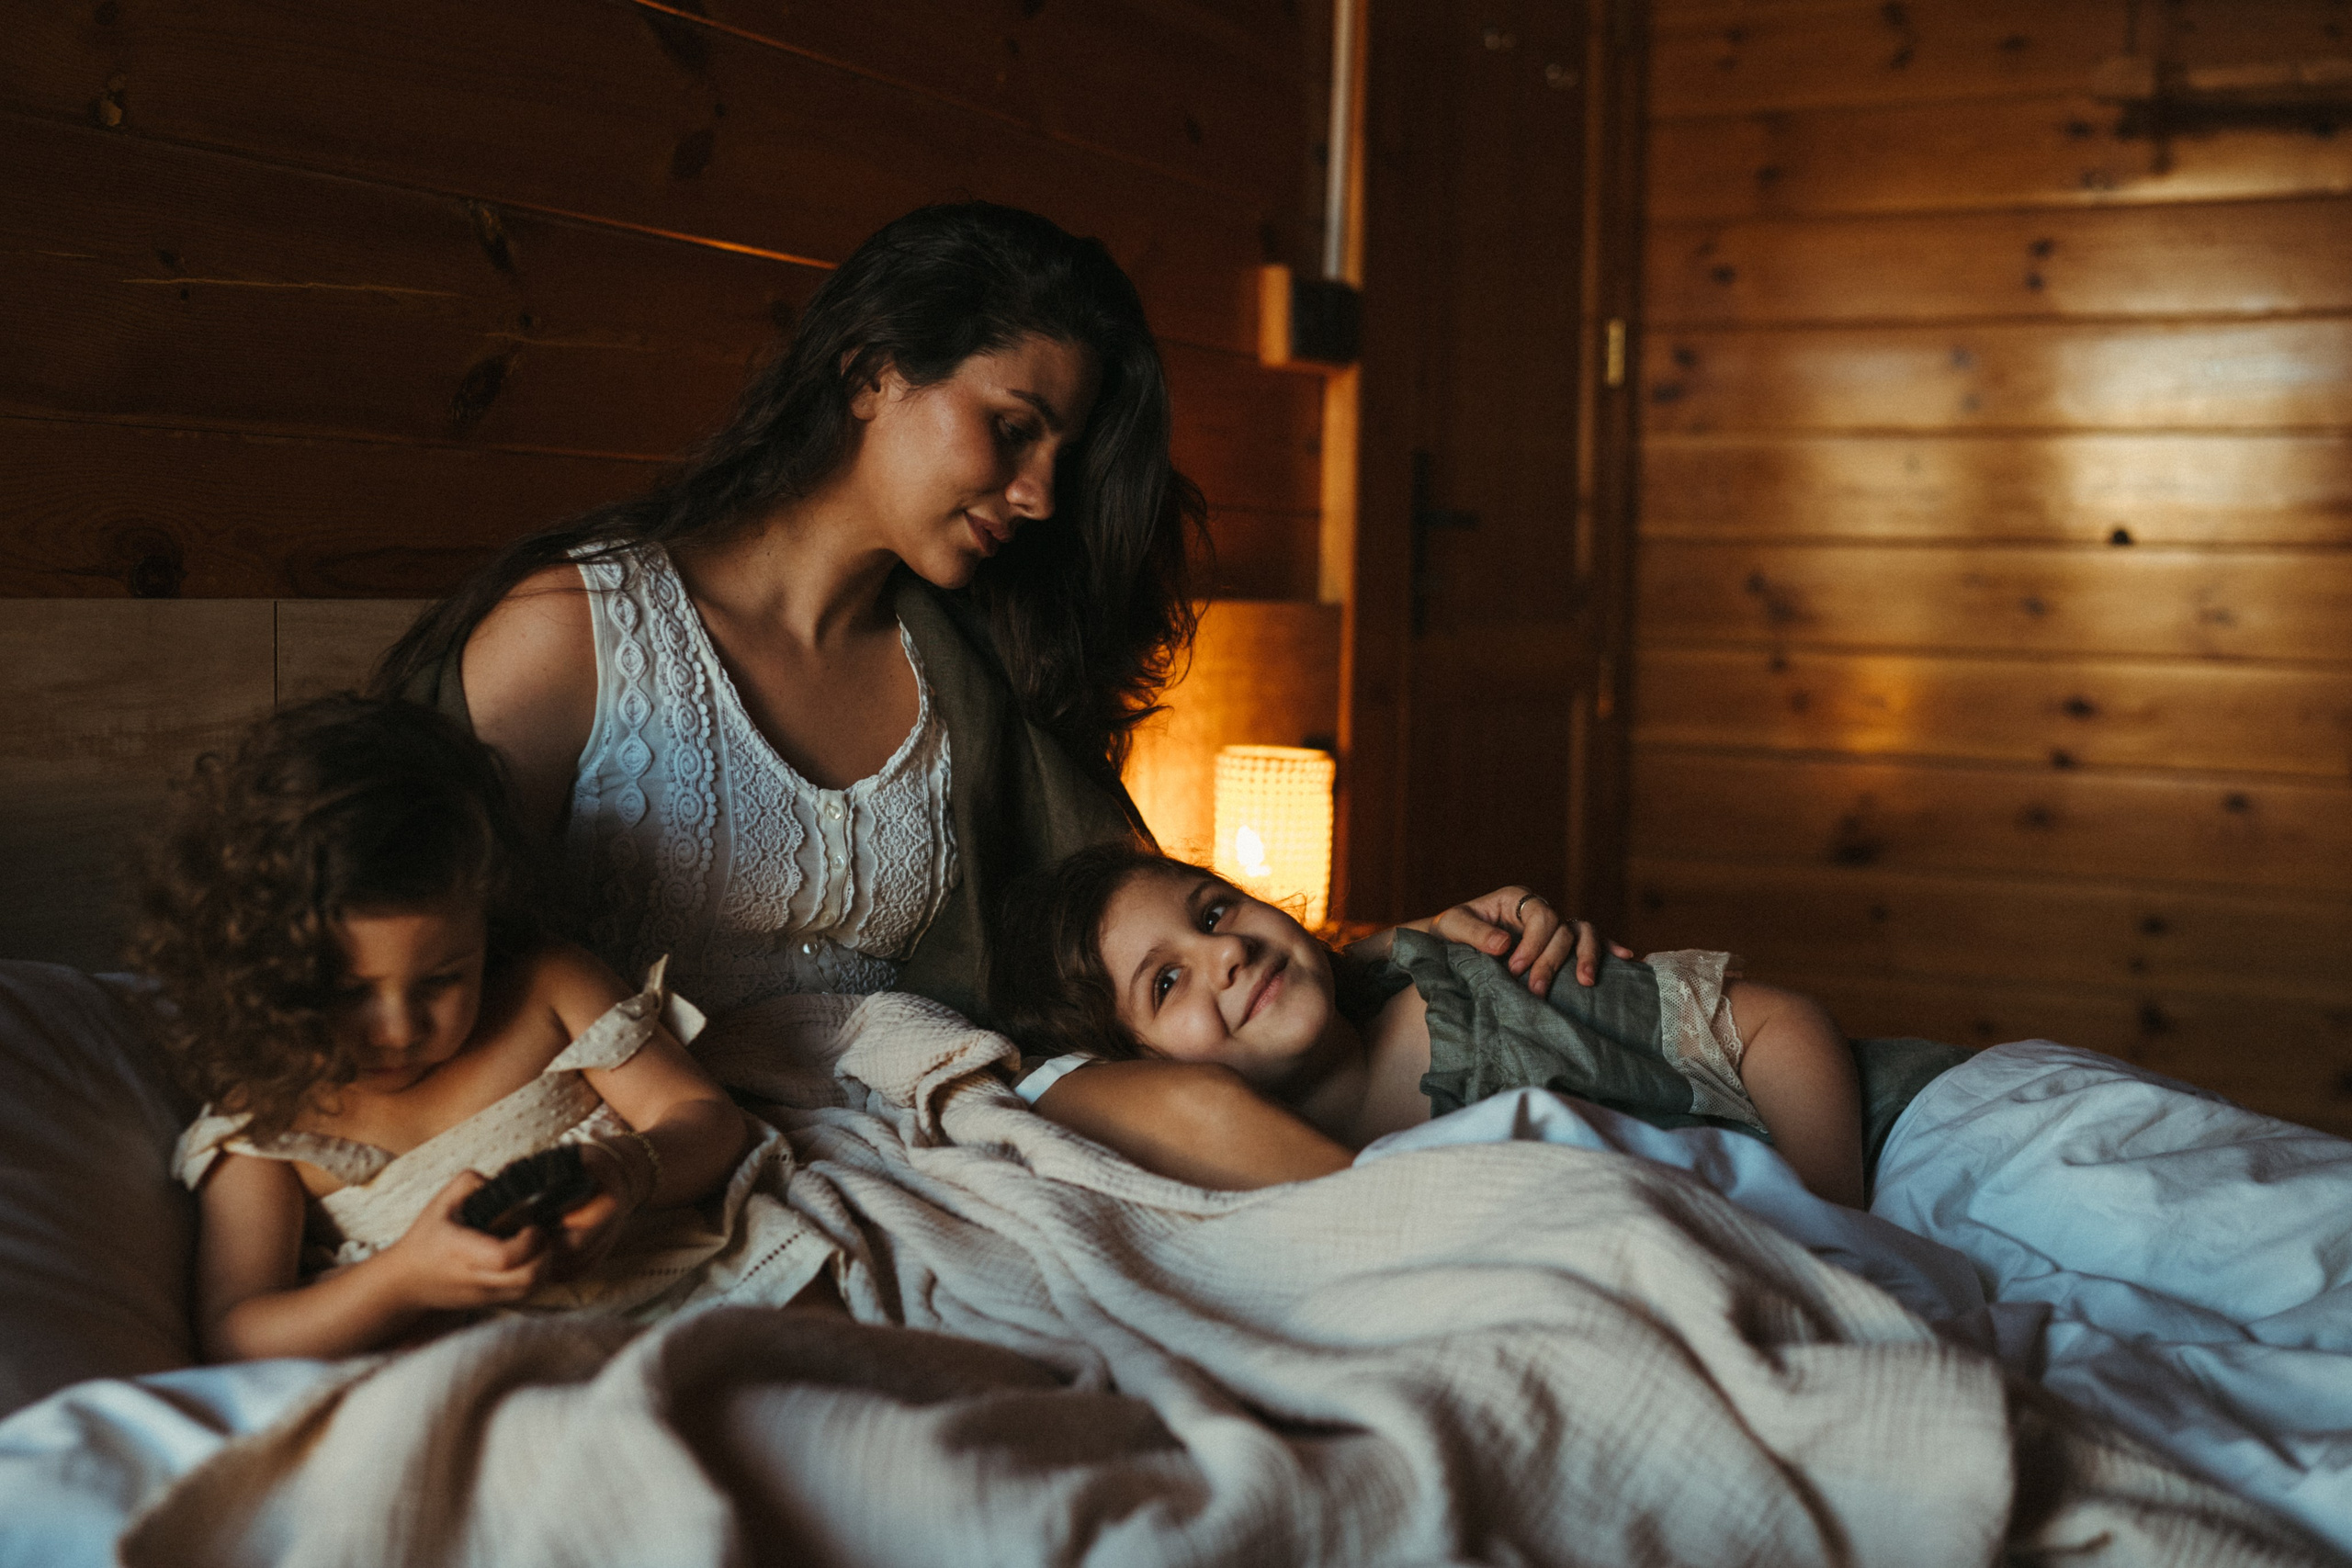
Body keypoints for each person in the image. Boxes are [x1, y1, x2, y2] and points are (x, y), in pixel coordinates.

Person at [368, 198, 1584, 1044]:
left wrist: (1386, 953)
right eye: (1012, 427)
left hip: (929, 1134)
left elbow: (1120, 937)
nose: (1044, 494)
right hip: (658, 1147)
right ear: (870, 373)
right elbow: (410, 960)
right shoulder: (573, 632)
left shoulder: (966, 670)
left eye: (1063, 451)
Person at [133, 696, 826, 1363]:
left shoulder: (546, 989)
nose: (400, 1028)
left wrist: (628, 1170)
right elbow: (238, 1333)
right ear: (261, 975)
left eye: (441, 979)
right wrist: (404, 1277)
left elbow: (706, 1119)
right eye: (349, 993)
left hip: (699, 1305)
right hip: (498, 1376)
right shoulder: (267, 1127)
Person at [989, 844, 1973, 1206]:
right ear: (1144, 1076)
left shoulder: (1480, 997)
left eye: (1214, 911)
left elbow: (1782, 1025)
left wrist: (1828, 1223)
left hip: (1889, 1119)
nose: (1226, 954)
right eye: (1167, 984)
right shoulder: (1243, 1169)